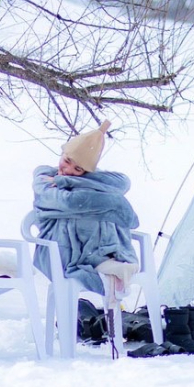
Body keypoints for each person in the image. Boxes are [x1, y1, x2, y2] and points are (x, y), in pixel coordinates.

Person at [30, 120, 140, 298]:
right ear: (63, 153)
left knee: (94, 210)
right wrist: (116, 202)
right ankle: (102, 264)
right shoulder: (43, 178)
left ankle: (105, 263)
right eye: (66, 161)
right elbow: (71, 202)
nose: (68, 170)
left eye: (78, 169)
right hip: (57, 249)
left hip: (90, 246)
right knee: (88, 212)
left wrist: (66, 182)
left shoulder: (73, 180)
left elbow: (123, 182)